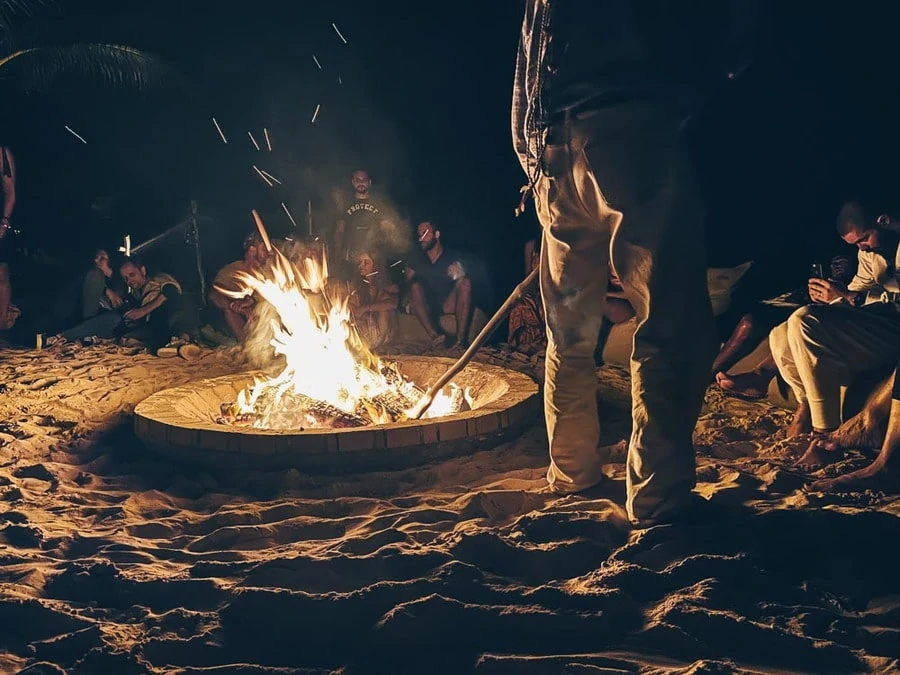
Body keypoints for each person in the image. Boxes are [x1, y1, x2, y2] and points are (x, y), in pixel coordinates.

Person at [512, 1, 755, 525]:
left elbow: (531, 59)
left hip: (554, 142)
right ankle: (658, 500)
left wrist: (534, 158)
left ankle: (572, 474)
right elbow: (733, 33)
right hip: (633, 125)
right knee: (668, 326)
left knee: (569, 336)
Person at [769, 202, 900, 439]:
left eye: (864, 239)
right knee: (782, 330)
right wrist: (832, 297)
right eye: (856, 244)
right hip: (878, 323)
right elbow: (858, 288)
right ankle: (806, 406)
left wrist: (852, 297)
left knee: (805, 322)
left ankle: (824, 433)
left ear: (883, 221)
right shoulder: (868, 253)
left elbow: (860, 297)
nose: (862, 247)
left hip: (894, 330)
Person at [715, 255, 857, 399]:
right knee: (749, 322)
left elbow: (861, 300)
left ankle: (760, 376)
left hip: (829, 312)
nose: (836, 267)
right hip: (799, 302)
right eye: (834, 263)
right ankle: (706, 376)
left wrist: (842, 294)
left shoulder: (865, 263)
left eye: (841, 263)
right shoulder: (818, 254)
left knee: (800, 324)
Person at [404, 220, 485, 349]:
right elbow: (406, 285)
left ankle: (460, 341)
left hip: (447, 304)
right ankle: (435, 336)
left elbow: (470, 279)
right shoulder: (416, 260)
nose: (421, 238)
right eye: (419, 234)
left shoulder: (452, 256)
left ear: (437, 234)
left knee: (465, 282)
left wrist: (459, 273)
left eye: (425, 233)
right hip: (426, 305)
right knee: (414, 287)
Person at [118, 256, 201, 357]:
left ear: (143, 270)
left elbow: (171, 292)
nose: (129, 281)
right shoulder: (134, 294)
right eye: (125, 278)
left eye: (132, 275)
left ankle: (182, 340)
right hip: (156, 327)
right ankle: (169, 345)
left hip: (173, 316)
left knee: (182, 302)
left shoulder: (158, 279)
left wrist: (143, 311)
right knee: (126, 336)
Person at [44, 249, 126, 344]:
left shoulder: (118, 284)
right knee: (96, 274)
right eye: (96, 257)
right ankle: (68, 336)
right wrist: (106, 290)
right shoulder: (90, 275)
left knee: (115, 319)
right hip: (72, 316)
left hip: (91, 325)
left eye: (102, 258)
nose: (96, 260)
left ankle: (66, 337)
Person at [208, 231, 270, 341]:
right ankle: (246, 346)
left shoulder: (272, 270)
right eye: (263, 249)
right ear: (252, 250)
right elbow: (214, 296)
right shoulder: (232, 271)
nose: (267, 253)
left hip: (264, 319)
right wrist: (236, 306)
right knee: (229, 311)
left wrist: (251, 301)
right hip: (239, 319)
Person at [348, 250, 399, 351]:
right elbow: (350, 307)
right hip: (365, 332)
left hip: (383, 335)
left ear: (376, 265)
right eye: (360, 262)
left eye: (366, 262)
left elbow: (393, 304)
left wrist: (365, 308)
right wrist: (366, 316)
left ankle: (378, 344)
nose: (361, 266)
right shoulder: (357, 285)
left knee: (383, 302)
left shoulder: (387, 286)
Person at [0, 144, 18, 331]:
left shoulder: (2, 153)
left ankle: (1, 324)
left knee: (1, 273)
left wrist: (4, 221)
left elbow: (10, 191)